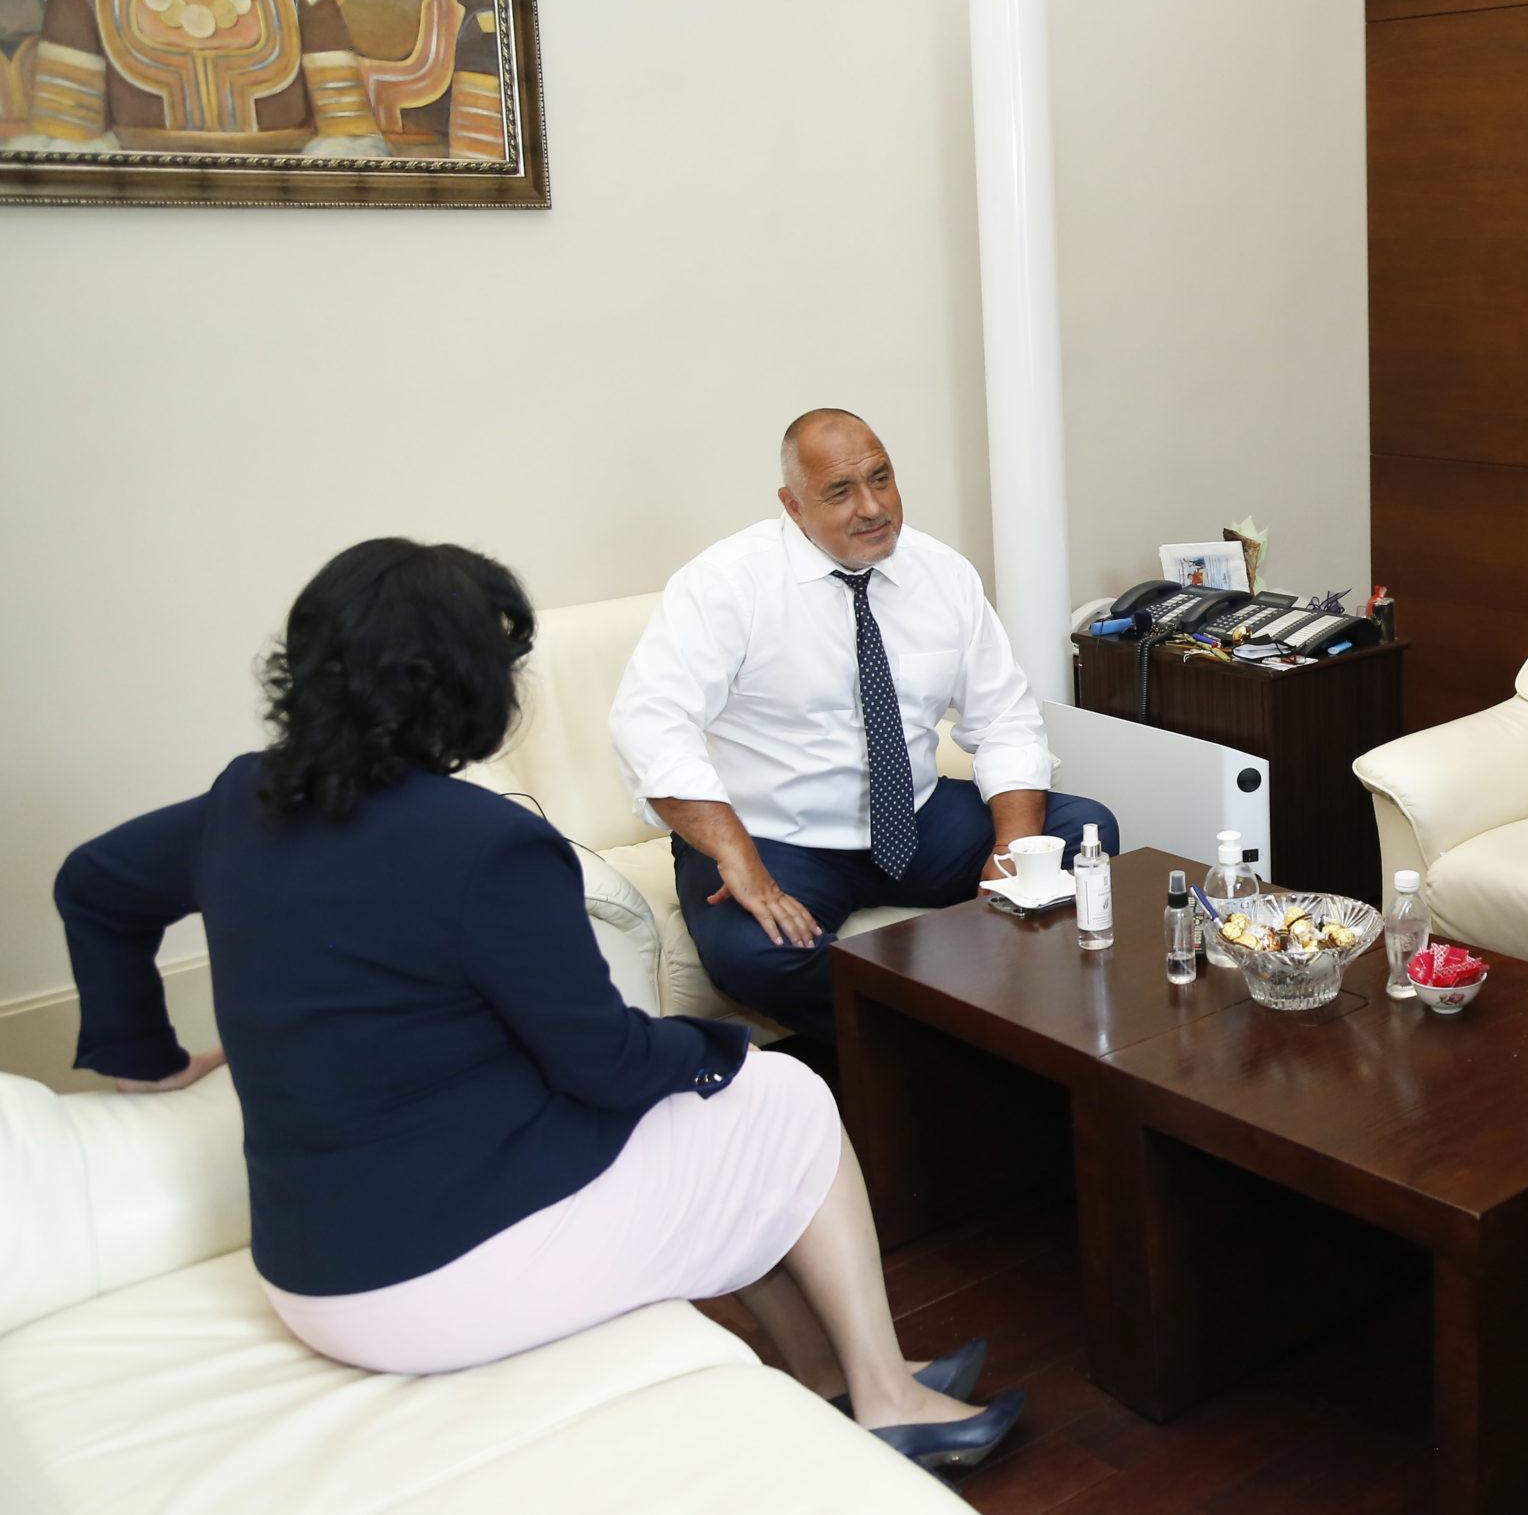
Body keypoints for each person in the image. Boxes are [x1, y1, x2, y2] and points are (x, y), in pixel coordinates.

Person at [54, 539, 1024, 1470]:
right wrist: (715, 1048)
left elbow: (92, 884)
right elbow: (602, 1064)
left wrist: (143, 1057)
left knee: (727, 1126)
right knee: (785, 1099)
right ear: (464, 686)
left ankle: (832, 1377)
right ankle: (890, 1402)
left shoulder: (247, 799)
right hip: (441, 1278)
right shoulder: (487, 845)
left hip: (310, 1274)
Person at [612, 408, 1118, 1041]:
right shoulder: (726, 584)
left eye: (881, 478)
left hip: (916, 818)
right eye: (840, 492)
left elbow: (1005, 717)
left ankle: (990, 1019)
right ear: (793, 506)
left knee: (1083, 833)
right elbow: (651, 723)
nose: (873, 507)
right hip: (775, 835)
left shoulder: (943, 574)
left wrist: (1010, 851)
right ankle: (946, 1040)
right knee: (754, 954)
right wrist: (735, 855)